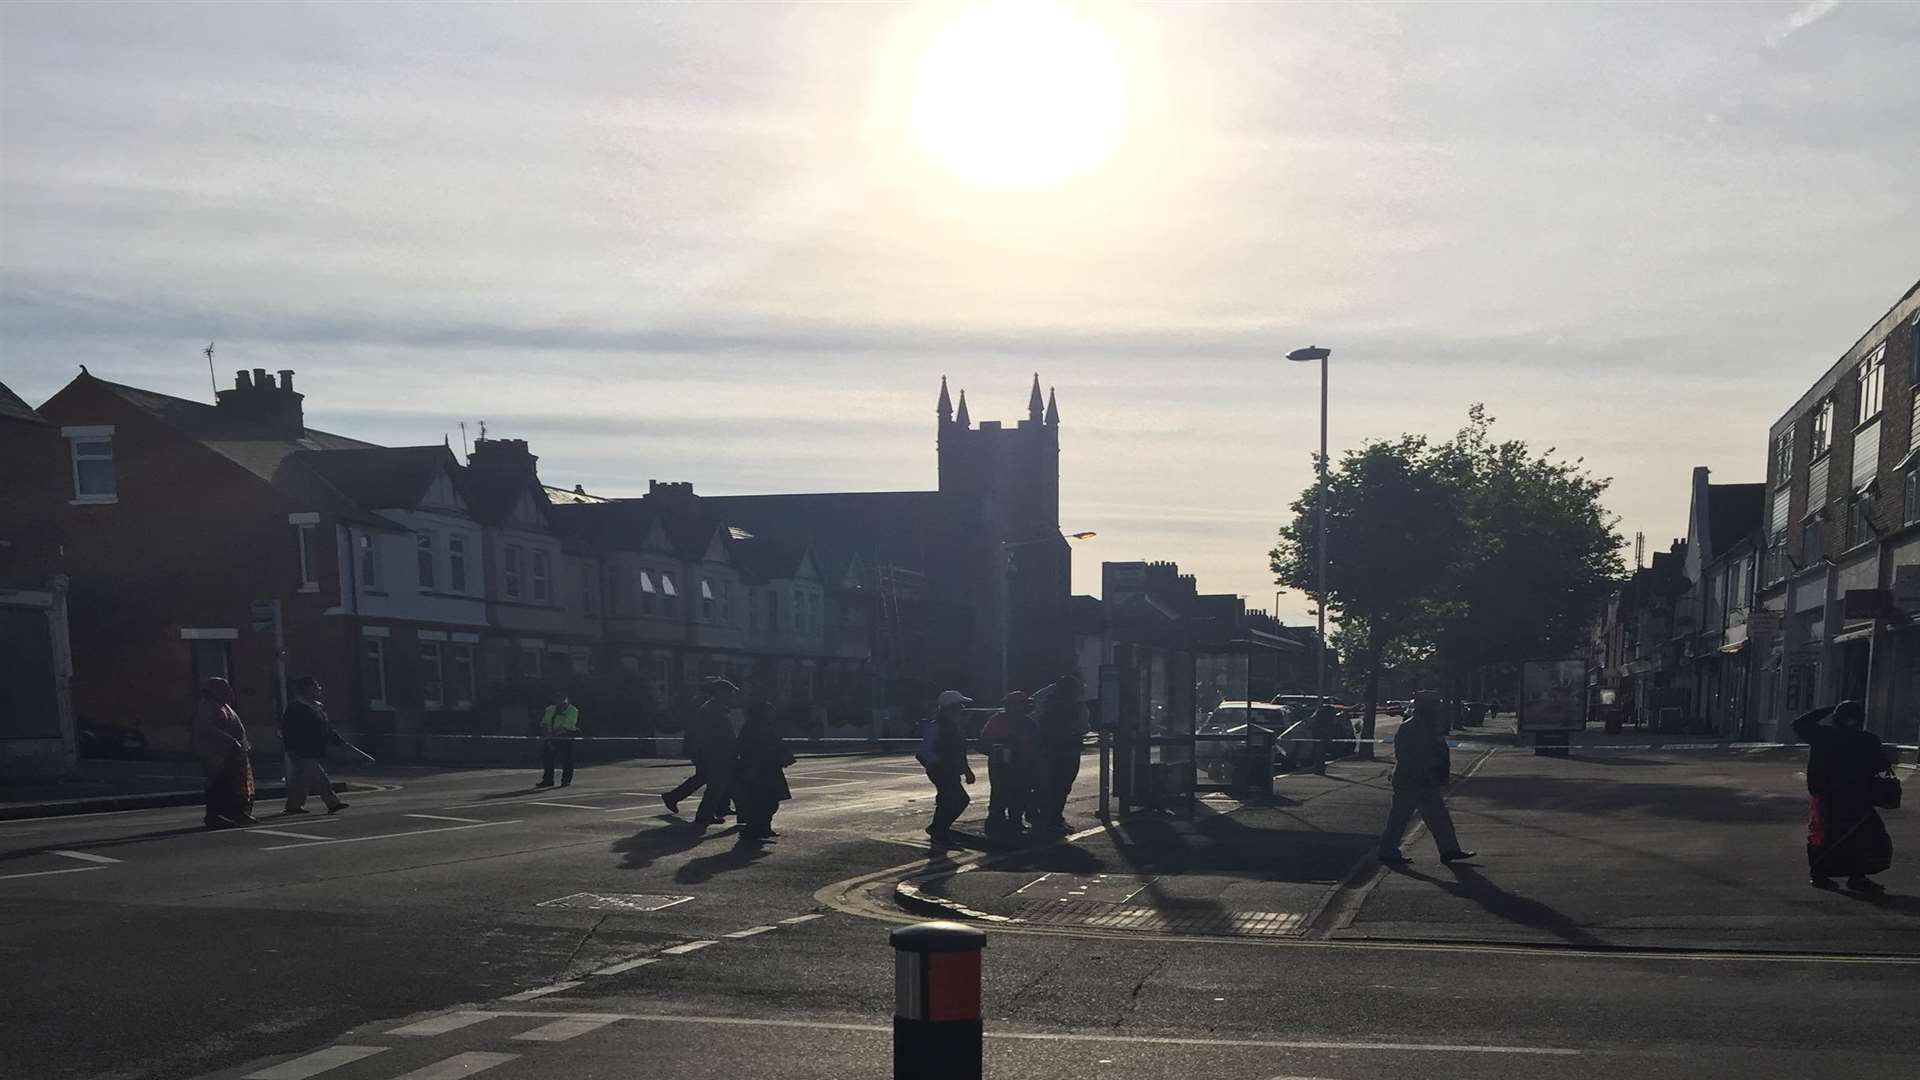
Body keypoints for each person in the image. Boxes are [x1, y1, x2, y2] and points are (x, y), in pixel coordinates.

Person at [1794, 701, 1896, 893]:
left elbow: (1799, 724)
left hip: (1826, 796)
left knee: (1823, 836)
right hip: (1857, 798)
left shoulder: (1823, 735)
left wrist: (1827, 709)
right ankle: (1857, 877)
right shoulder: (1867, 740)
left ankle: (1820, 875)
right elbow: (1882, 766)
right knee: (1863, 837)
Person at [1377, 691, 1474, 865]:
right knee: (1400, 818)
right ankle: (1387, 851)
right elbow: (1405, 755)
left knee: (1439, 817)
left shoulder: (1429, 726)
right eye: (1434, 705)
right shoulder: (1411, 727)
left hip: (1425, 780)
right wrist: (1424, 771)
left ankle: (1449, 850)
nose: (1437, 709)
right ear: (1425, 707)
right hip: (1411, 779)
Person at [279, 676, 368, 815]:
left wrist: (338, 741)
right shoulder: (296, 707)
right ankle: (332, 803)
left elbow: (326, 728)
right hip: (302, 750)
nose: (318, 689)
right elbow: (288, 731)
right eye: (315, 687)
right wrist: (290, 749)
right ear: (306, 689)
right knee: (319, 779)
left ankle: (293, 806)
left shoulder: (317, 707)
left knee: (304, 780)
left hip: (314, 749)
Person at [193, 677, 256, 828]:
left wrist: (244, 742)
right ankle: (215, 816)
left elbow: (237, 727)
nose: (228, 690)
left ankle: (237, 812)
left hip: (232, 753)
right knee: (218, 784)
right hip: (216, 753)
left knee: (235, 784)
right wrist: (230, 740)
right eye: (224, 687)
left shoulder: (224, 706)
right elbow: (206, 727)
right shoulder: (207, 705)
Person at [917, 690, 975, 842]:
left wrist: (966, 770)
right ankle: (939, 830)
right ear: (951, 707)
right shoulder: (937, 726)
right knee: (960, 799)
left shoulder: (954, 726)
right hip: (942, 772)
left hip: (949, 771)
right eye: (960, 705)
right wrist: (941, 765)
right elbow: (923, 752)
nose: (963, 708)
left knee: (946, 800)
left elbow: (959, 751)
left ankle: (938, 830)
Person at [1031, 674, 1088, 830]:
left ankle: (1040, 813)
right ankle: (1055, 816)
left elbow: (1035, 716)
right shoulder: (1077, 705)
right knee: (1063, 784)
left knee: (1045, 783)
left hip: (1046, 747)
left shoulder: (1047, 702)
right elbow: (1084, 727)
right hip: (1069, 749)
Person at [734, 701, 796, 840]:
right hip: (759, 768)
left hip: (769, 767)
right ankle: (753, 828)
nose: (772, 713)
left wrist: (782, 755)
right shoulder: (752, 727)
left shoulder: (766, 726)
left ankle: (763, 827)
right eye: (769, 710)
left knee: (770, 800)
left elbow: (777, 743)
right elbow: (747, 748)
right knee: (762, 801)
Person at [978, 691, 1030, 837]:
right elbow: (984, 742)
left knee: (1020, 793)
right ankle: (995, 822)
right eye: (1021, 703)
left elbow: (1035, 742)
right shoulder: (998, 720)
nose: (1024, 707)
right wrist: (1003, 743)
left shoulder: (1027, 722)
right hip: (1001, 764)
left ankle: (1015, 821)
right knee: (1000, 793)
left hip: (1021, 764)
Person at [690, 679, 739, 826]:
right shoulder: (713, 709)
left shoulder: (716, 708)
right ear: (720, 693)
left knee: (720, 785)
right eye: (729, 693)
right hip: (715, 753)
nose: (732, 696)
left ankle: (709, 813)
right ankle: (704, 816)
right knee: (716, 785)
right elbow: (716, 734)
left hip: (717, 752)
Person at [534, 689, 581, 788]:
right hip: (550, 736)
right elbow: (544, 723)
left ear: (566, 698)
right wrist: (547, 735)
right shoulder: (550, 709)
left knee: (566, 759)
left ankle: (566, 781)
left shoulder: (572, 710)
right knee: (547, 758)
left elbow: (566, 726)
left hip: (564, 737)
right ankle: (547, 780)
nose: (558, 699)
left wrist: (552, 736)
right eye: (557, 697)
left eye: (561, 697)